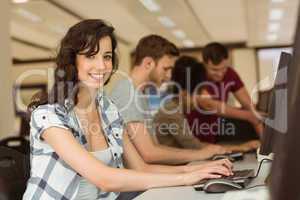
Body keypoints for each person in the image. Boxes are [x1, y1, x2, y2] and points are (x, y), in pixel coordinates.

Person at [22, 20, 233, 200]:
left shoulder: (108, 109)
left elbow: (141, 168)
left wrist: (198, 170)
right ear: (72, 60)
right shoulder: (48, 116)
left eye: (106, 56)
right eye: (90, 56)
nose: (102, 66)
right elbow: (105, 179)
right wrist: (187, 178)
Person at [110, 35, 230, 166]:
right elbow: (149, 154)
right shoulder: (128, 93)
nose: (169, 76)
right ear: (148, 63)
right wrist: (200, 154)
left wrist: (203, 153)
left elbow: (155, 147)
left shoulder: (139, 94)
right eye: (166, 69)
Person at [153, 56, 260, 152]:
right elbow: (195, 147)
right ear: (184, 93)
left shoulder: (179, 109)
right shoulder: (172, 113)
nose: (207, 97)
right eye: (200, 92)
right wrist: (240, 148)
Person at [185, 42, 264, 144]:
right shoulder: (196, 73)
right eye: (214, 69)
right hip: (191, 134)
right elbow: (208, 104)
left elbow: (249, 106)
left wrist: (266, 143)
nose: (220, 73)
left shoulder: (230, 73)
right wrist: (248, 115)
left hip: (212, 134)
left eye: (224, 68)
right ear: (204, 64)